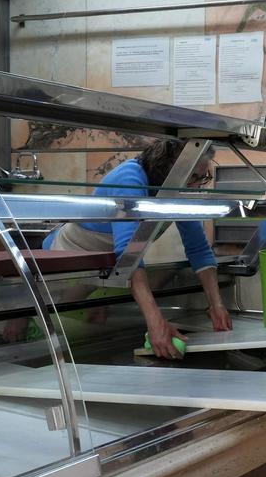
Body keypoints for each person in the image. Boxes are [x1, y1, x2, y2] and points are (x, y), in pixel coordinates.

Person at [44, 140, 231, 358]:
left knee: (84, 331)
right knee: (53, 327)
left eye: (203, 177)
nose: (197, 185)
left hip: (104, 268)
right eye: (193, 177)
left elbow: (198, 248)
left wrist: (216, 305)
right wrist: (156, 323)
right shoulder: (130, 180)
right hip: (67, 258)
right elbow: (128, 254)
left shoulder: (179, 189)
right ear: (168, 169)